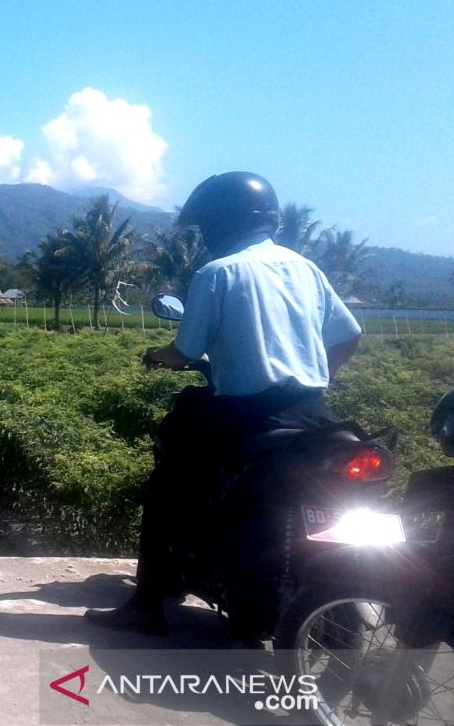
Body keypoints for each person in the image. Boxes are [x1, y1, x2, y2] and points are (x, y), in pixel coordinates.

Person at [84, 171, 362, 635]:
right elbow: (350, 335)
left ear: (219, 222)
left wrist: (157, 356)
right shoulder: (304, 268)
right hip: (313, 414)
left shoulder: (217, 273)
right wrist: (317, 376)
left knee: (166, 488)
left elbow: (186, 352)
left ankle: (146, 605)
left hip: (245, 417)